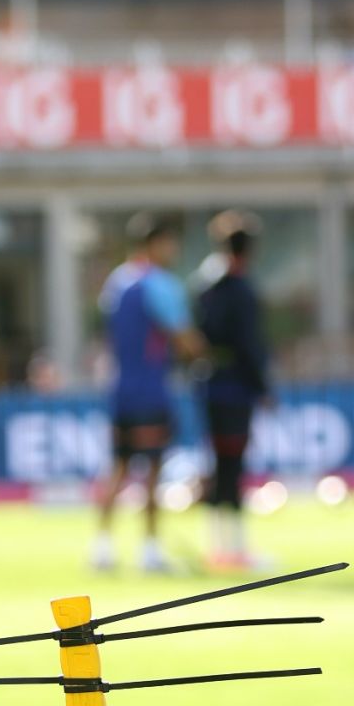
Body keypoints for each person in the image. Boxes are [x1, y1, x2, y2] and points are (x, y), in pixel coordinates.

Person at [91, 213, 203, 573]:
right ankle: (150, 549)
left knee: (119, 468)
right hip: (152, 389)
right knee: (153, 470)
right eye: (169, 243)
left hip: (120, 387)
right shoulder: (160, 285)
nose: (172, 250)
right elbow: (184, 338)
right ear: (154, 243)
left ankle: (103, 547)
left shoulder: (116, 282)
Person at [192, 211, 273, 570]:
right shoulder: (241, 289)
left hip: (209, 384)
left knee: (218, 464)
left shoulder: (204, 285)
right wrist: (263, 387)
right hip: (236, 389)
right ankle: (236, 549)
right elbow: (250, 344)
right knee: (234, 466)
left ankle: (217, 547)